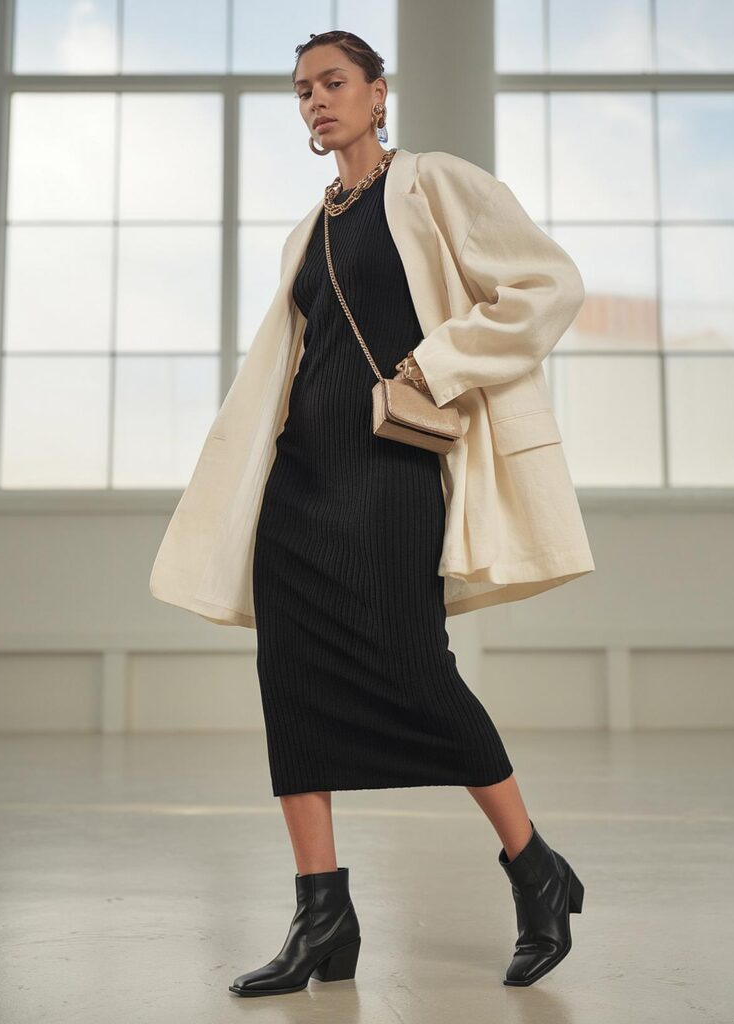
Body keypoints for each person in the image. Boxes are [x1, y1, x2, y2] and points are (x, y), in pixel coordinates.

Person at [229, 29, 584, 998]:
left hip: (390, 468)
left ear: (380, 94)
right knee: (292, 682)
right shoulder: (311, 226)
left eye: (334, 83)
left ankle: (535, 866)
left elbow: (549, 283)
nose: (316, 101)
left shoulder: (433, 184)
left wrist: (440, 364)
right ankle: (321, 916)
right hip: (300, 476)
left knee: (417, 669)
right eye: (302, 89)